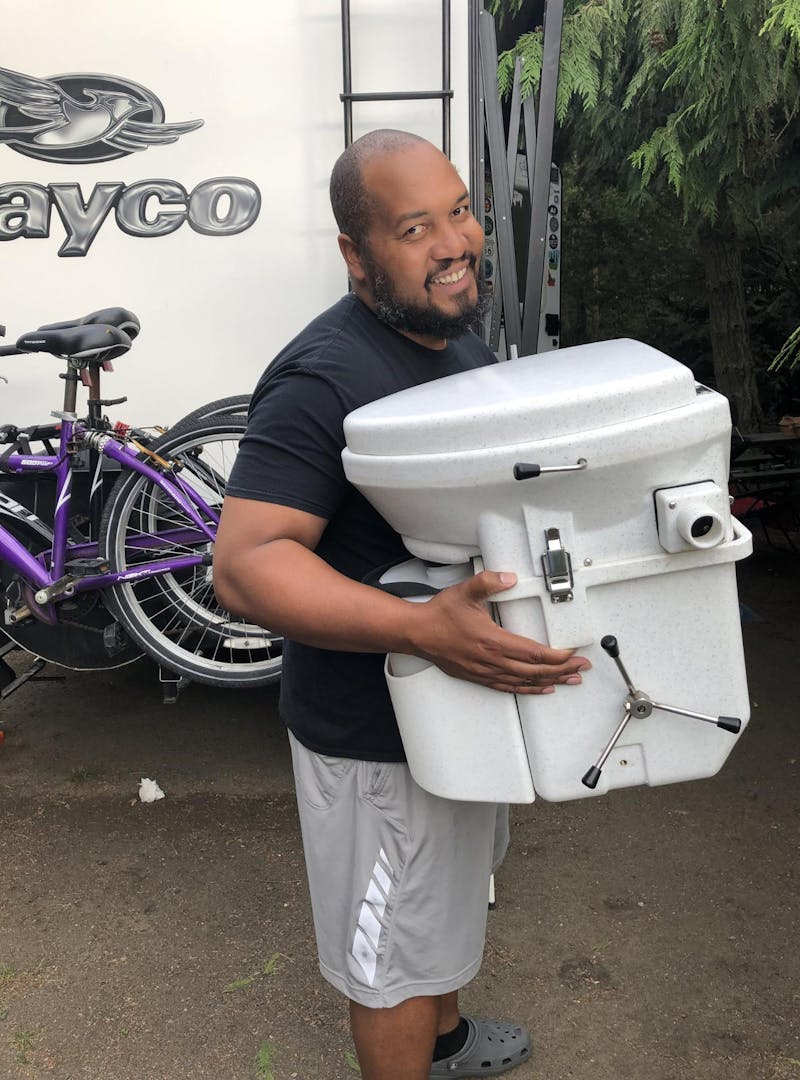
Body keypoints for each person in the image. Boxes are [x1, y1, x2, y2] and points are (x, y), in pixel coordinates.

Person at [213, 129, 590, 1080]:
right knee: (389, 958)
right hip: (374, 740)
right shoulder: (321, 379)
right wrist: (422, 626)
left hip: (455, 709)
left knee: (447, 899)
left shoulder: (447, 336)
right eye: (415, 227)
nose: (453, 242)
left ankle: (450, 1042)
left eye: (458, 210)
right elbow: (248, 566)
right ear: (357, 253)